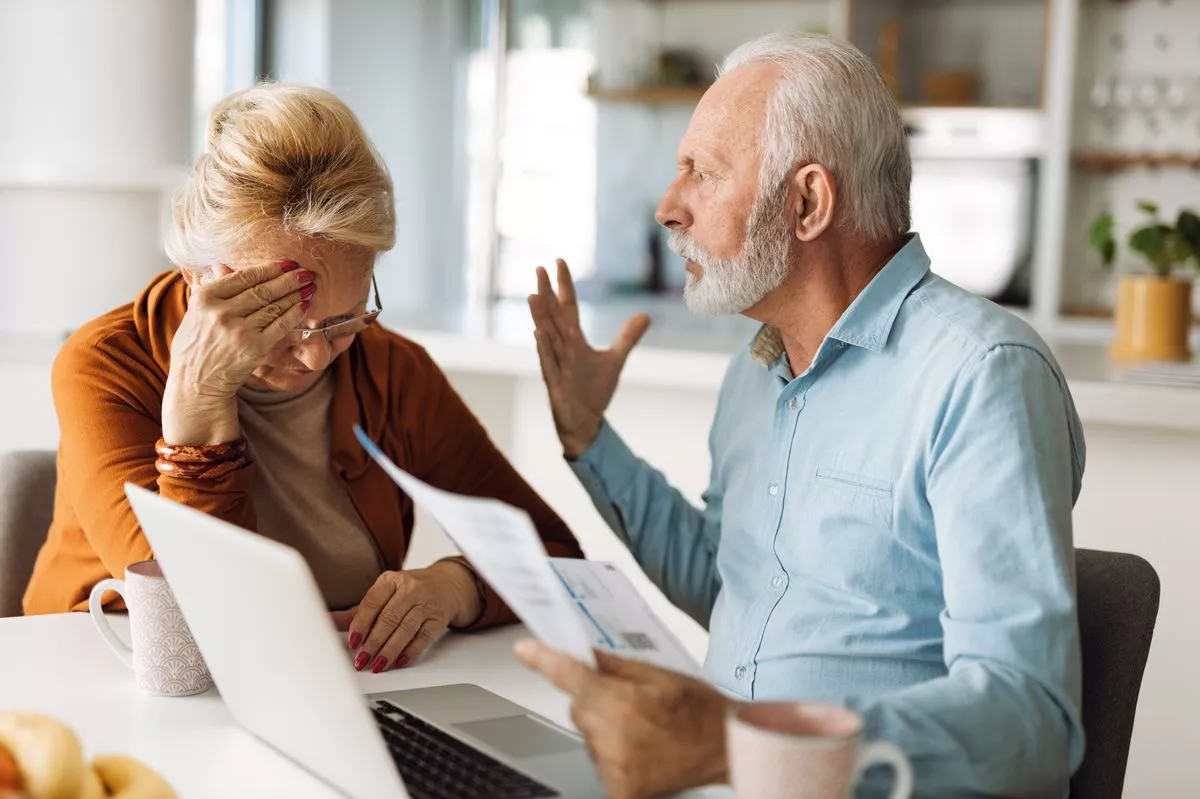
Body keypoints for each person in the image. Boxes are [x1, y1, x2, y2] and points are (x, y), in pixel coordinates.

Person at [524, 32, 1085, 799]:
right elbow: (735, 586)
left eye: (703, 173)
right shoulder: (756, 370)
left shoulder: (982, 375)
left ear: (808, 201)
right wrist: (589, 435)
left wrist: (741, 744)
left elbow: (1032, 720)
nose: (668, 206)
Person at [23, 83, 583, 675]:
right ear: (194, 277)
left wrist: (454, 586)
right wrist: (198, 400)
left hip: (318, 689)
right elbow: (194, 624)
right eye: (279, 323)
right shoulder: (107, 364)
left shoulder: (390, 369)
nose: (316, 358)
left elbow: (557, 556)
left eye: (343, 320)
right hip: (106, 688)